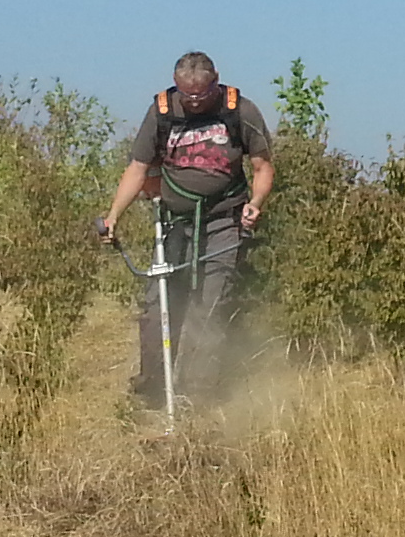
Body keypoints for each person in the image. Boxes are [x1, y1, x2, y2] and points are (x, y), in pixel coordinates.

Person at [100, 54, 275, 411]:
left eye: (201, 94)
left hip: (224, 219)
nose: (194, 101)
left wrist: (255, 203)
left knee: (208, 307)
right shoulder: (162, 111)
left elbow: (262, 166)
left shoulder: (238, 110)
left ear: (216, 82)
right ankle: (152, 393)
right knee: (157, 307)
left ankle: (197, 397)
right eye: (187, 94)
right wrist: (114, 215)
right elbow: (137, 168)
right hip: (173, 223)